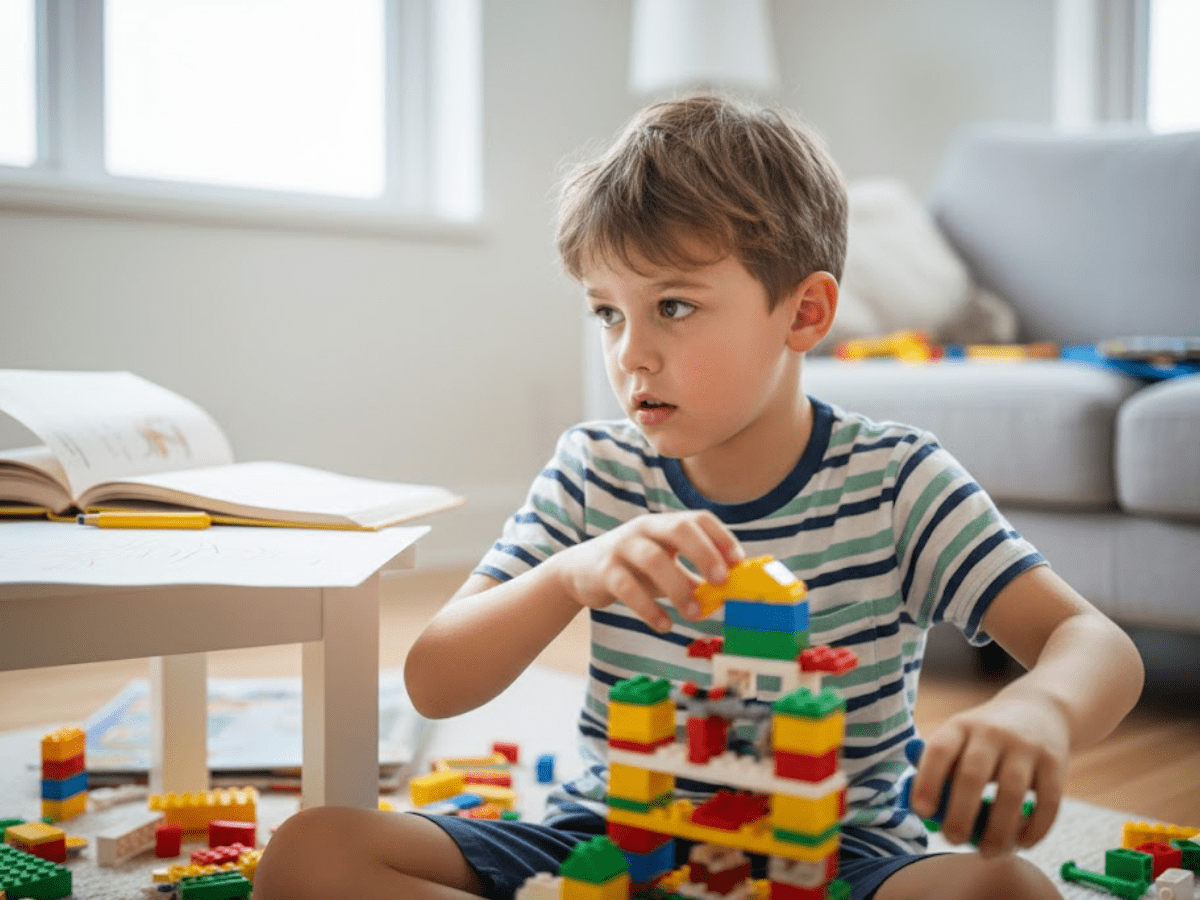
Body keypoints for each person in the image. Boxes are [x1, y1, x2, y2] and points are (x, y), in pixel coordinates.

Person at [254, 93, 1144, 900]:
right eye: (607, 310)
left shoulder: (897, 481)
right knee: (312, 853)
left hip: (837, 856)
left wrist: (1039, 708)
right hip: (607, 839)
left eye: (672, 307)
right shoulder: (595, 470)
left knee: (1008, 895)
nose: (630, 353)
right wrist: (569, 576)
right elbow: (435, 681)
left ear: (802, 314)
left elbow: (1092, 643)